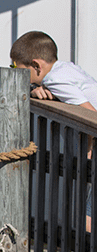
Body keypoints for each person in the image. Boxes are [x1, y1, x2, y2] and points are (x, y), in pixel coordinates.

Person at [10, 31, 97, 231]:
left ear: (36, 65)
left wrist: (90, 147)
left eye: (17, 68)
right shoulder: (66, 69)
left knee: (89, 212)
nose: (15, 73)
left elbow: (91, 114)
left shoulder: (54, 80)